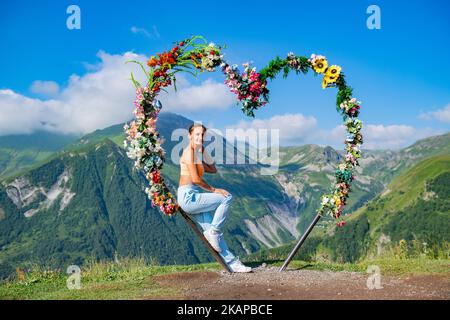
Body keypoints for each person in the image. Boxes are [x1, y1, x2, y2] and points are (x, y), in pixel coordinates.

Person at [177, 123, 252, 273]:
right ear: (189, 135)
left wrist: (203, 149)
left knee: (214, 237)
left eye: (202, 135)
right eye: (197, 134)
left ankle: (232, 263)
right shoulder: (189, 153)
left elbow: (213, 169)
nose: (200, 137)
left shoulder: (197, 152)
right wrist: (214, 190)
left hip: (194, 195)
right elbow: (196, 179)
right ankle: (214, 231)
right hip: (188, 197)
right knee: (226, 197)